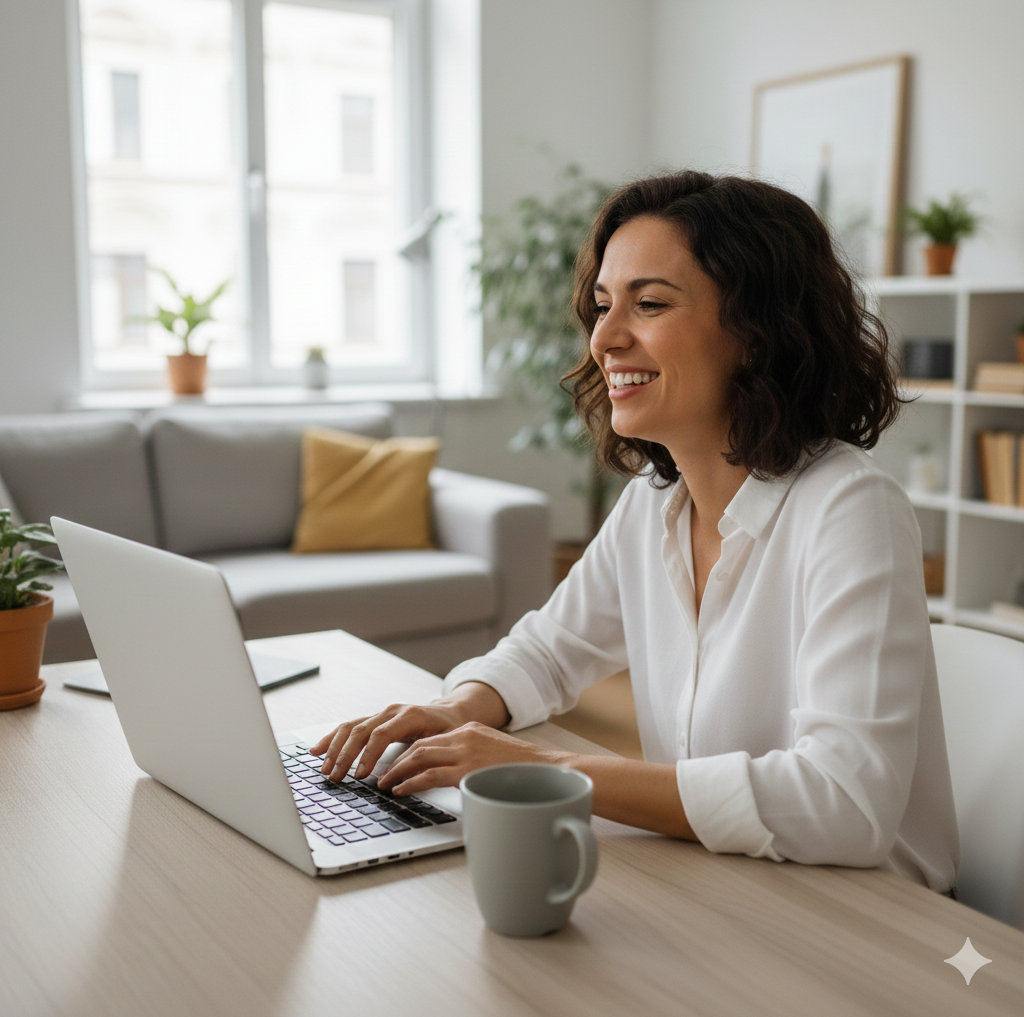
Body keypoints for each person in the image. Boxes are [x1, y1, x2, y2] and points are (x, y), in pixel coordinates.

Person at [312, 171, 959, 892]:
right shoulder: (655, 502)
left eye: (648, 304)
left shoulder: (849, 509)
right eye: (600, 306)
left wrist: (547, 771)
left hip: (869, 916)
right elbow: (549, 652)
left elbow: (843, 803)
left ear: (758, 332)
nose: (605, 339)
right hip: (730, 880)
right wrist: (453, 709)